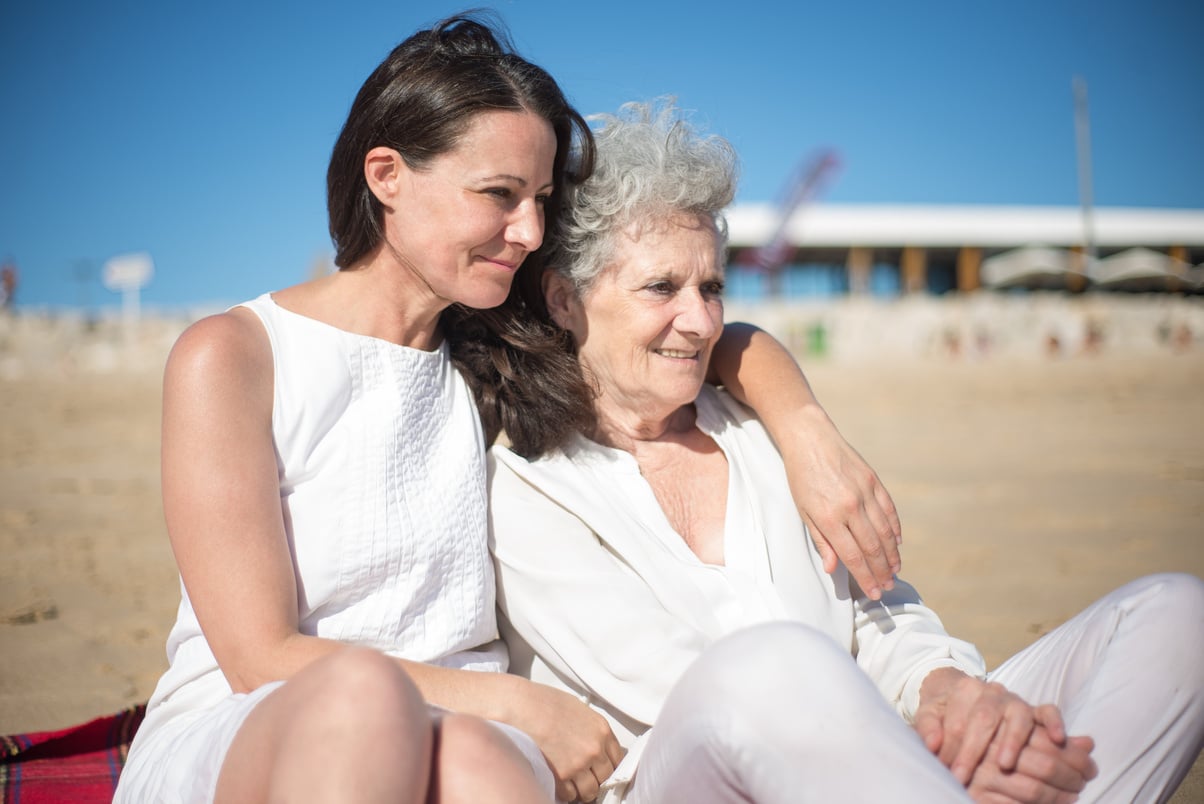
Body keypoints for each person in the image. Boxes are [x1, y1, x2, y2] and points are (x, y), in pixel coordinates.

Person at [115, 15, 907, 804]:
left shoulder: (495, 353)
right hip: (262, 726)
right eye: (499, 195)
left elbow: (703, 337)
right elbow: (258, 658)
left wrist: (803, 428)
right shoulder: (237, 356)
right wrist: (516, 702)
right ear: (387, 175)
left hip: (465, 733)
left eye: (539, 200)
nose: (529, 231)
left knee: (483, 770)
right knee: (366, 703)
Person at [487, 101, 1204, 804]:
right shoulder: (524, 482)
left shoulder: (760, 430)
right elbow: (687, 689)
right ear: (562, 299)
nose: (702, 320)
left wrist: (947, 696)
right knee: (768, 663)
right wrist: (928, 758)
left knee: (1176, 618)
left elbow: (879, 614)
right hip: (687, 779)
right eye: (661, 288)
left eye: (711, 286)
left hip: (886, 760)